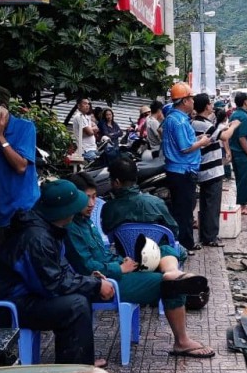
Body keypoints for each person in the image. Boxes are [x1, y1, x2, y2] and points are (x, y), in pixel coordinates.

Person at [0, 180, 115, 373]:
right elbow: (52, 284)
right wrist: (95, 285)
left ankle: (81, 363)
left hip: (21, 295)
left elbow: (55, 271)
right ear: (65, 211)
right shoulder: (37, 237)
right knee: (75, 306)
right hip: (3, 306)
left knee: (79, 295)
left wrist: (89, 280)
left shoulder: (46, 227)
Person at [64, 172, 215, 358]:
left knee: (165, 249)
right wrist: (119, 268)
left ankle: (172, 271)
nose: (92, 204)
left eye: (94, 197)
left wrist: (122, 261)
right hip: (105, 282)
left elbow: (103, 251)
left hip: (117, 270)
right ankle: (182, 341)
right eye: (86, 198)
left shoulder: (88, 221)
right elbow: (86, 267)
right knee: (170, 286)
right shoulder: (71, 227)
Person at [0, 85, 40, 242]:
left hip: (25, 210)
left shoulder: (25, 128)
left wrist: (0, 138)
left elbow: (21, 167)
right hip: (1, 212)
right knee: (8, 259)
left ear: (2, 109)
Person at [160, 83, 211, 250]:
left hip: (178, 170)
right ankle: (185, 245)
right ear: (184, 101)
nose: (193, 102)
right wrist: (202, 142)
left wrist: (197, 140)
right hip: (182, 171)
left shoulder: (172, 118)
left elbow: (185, 143)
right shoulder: (179, 121)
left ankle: (183, 243)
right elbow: (184, 148)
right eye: (191, 99)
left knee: (182, 209)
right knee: (184, 211)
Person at [101, 156, 184, 251]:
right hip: (157, 254)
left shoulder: (108, 208)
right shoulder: (156, 203)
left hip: (125, 257)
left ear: (116, 182)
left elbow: (108, 233)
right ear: (136, 178)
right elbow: (173, 230)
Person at [192, 93, 238, 247]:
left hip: (205, 169)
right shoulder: (204, 124)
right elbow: (224, 136)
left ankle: (206, 235)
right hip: (211, 170)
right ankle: (210, 237)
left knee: (206, 204)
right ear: (206, 106)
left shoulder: (197, 123)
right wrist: (234, 125)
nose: (212, 106)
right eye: (210, 103)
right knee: (212, 205)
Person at [229, 91, 247, 216]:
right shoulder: (243, 117)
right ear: (245, 101)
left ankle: (243, 204)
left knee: (240, 180)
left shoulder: (234, 115)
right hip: (243, 153)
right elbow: (242, 138)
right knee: (245, 180)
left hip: (235, 153)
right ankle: (242, 205)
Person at [70, 97, 99, 162]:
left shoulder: (85, 116)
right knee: (98, 164)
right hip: (85, 150)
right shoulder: (79, 116)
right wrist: (91, 129)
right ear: (79, 106)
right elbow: (90, 132)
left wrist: (91, 129)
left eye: (88, 104)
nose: (87, 105)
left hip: (92, 148)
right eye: (85, 103)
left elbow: (96, 128)